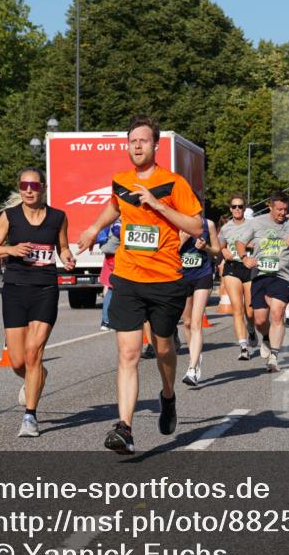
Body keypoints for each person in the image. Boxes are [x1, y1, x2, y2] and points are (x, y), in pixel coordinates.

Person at [76, 115, 203, 455]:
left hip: (165, 281)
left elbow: (195, 226)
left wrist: (158, 205)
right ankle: (125, 428)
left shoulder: (173, 183)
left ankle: (168, 395)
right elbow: (114, 207)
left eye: (143, 141)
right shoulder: (121, 180)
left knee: (163, 349)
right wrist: (91, 229)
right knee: (128, 353)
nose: (137, 145)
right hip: (128, 277)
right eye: (132, 141)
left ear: (156, 145)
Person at [0, 167, 76, 438]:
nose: (28, 190)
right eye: (23, 185)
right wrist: (10, 249)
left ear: (43, 188)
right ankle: (37, 376)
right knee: (17, 361)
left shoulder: (58, 217)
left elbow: (62, 247)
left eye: (33, 186)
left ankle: (30, 416)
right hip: (15, 289)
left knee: (33, 352)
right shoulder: (9, 216)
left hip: (45, 289)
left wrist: (67, 257)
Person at [236, 191, 289, 373]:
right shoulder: (257, 222)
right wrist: (244, 258)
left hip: (282, 276)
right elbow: (240, 242)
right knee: (259, 319)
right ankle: (265, 337)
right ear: (270, 207)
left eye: (285, 209)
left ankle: (274, 357)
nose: (282, 213)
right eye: (279, 209)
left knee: (278, 313)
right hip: (260, 274)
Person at [180, 213, 220, 385]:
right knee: (187, 322)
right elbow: (167, 252)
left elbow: (217, 251)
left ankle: (192, 368)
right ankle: (195, 356)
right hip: (182, 276)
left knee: (196, 323)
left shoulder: (208, 224)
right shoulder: (176, 222)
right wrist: (182, 240)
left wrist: (206, 248)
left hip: (203, 275)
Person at [218, 193, 260, 360]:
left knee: (250, 312)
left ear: (244, 209)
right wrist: (224, 251)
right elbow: (220, 244)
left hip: (248, 268)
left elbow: (259, 244)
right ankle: (243, 347)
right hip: (232, 268)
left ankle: (251, 330)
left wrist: (246, 246)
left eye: (240, 206)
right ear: (230, 209)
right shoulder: (226, 227)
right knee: (237, 309)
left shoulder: (253, 225)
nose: (237, 209)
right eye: (234, 206)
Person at [97, 220, 121, 330]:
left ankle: (105, 321)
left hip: (109, 256)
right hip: (118, 256)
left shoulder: (110, 219)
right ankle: (112, 320)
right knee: (116, 289)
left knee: (109, 286)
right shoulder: (121, 220)